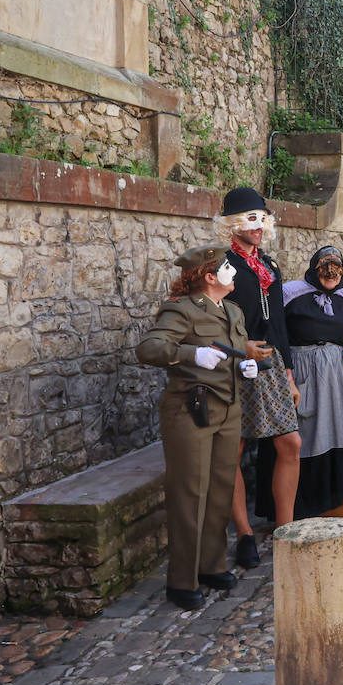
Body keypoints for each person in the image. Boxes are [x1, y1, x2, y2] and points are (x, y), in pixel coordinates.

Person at [136, 244, 257, 610]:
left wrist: (244, 367)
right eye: (227, 269)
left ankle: (211, 565)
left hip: (227, 408)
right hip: (191, 409)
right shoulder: (182, 309)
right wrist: (191, 354)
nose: (234, 274)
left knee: (221, 489)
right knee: (190, 493)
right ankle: (182, 580)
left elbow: (230, 353)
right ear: (208, 276)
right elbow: (149, 347)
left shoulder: (233, 310)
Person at [217, 187, 299, 568]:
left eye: (262, 218)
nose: (259, 226)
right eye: (250, 218)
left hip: (271, 366)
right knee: (232, 451)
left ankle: (286, 530)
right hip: (232, 364)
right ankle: (245, 534)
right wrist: (240, 345)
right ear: (233, 224)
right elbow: (209, 322)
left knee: (290, 444)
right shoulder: (221, 266)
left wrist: (289, 374)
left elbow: (279, 323)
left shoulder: (271, 266)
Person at [268, 246, 343, 521]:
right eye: (325, 274)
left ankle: (335, 500)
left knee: (338, 436)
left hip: (339, 381)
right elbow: (275, 332)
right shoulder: (290, 294)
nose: (331, 279)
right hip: (303, 377)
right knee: (308, 439)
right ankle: (300, 507)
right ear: (314, 270)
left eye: (335, 275)